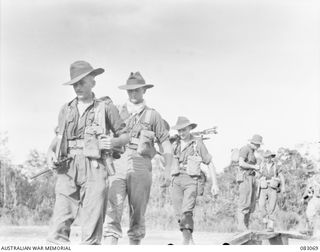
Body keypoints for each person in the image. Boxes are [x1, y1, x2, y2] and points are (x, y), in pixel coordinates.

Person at [46, 60, 128, 244]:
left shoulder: (105, 107)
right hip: (67, 168)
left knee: (91, 231)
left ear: (93, 82)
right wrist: (49, 153)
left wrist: (113, 141)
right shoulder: (65, 109)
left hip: (95, 168)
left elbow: (125, 136)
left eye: (82, 82)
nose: (78, 87)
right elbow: (59, 137)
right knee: (58, 227)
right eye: (75, 83)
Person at [103, 72, 173, 245]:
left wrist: (168, 169)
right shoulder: (116, 111)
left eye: (137, 90)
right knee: (113, 208)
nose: (133, 94)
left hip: (141, 164)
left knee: (138, 212)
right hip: (117, 163)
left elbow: (166, 143)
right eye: (130, 91)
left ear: (144, 91)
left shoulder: (153, 115)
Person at [170, 116, 219, 245]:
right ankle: (190, 240)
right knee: (179, 214)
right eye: (179, 131)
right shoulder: (174, 143)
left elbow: (209, 163)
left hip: (191, 181)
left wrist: (215, 184)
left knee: (187, 212)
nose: (181, 133)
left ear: (190, 129)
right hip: (176, 180)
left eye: (184, 130)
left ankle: (185, 243)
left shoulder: (198, 143)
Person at [237, 134, 263, 231]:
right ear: (253, 143)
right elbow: (241, 163)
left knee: (250, 203)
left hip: (251, 177)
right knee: (244, 201)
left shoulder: (253, 152)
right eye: (257, 144)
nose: (258, 147)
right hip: (245, 177)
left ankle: (246, 226)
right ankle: (241, 226)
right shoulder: (245, 149)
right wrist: (254, 167)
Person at [257, 150, 285, 232]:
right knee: (261, 205)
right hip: (263, 187)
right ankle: (265, 222)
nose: (266, 159)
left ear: (271, 157)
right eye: (265, 157)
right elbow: (258, 175)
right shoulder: (261, 165)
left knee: (272, 207)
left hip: (273, 188)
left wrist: (283, 187)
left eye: (268, 157)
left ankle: (270, 226)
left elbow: (281, 176)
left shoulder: (276, 166)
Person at [301, 168, 320, 236]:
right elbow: (308, 190)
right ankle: (309, 230)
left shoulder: (314, 180)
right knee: (310, 214)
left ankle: (310, 230)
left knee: (310, 214)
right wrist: (304, 197)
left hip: (316, 199)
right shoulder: (314, 180)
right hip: (315, 199)